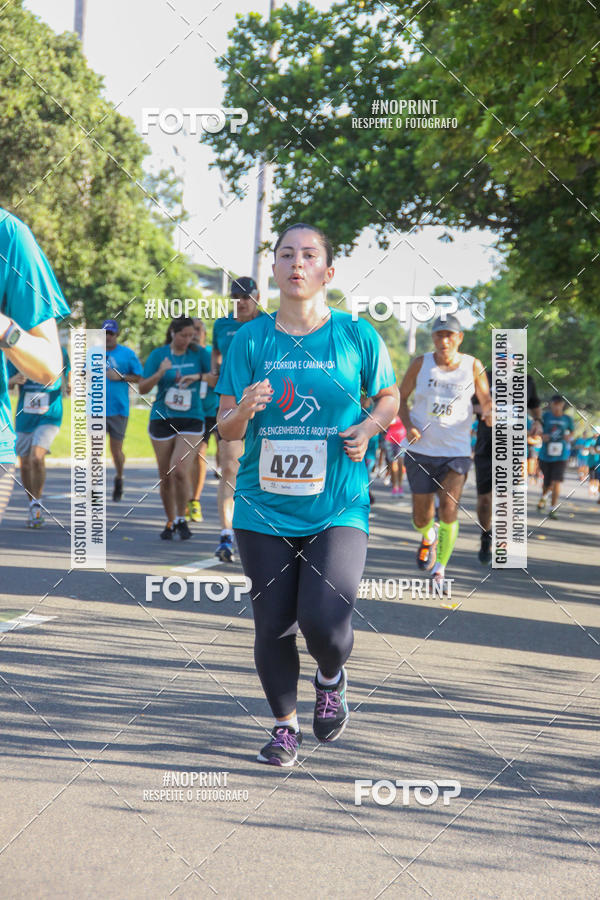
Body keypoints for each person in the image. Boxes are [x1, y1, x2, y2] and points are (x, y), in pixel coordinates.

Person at [216, 223, 398, 766]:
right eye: (286, 255)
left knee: (324, 617)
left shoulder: (356, 334)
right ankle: (284, 728)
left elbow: (387, 398)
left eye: (309, 255)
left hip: (338, 502)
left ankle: (331, 676)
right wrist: (245, 407)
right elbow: (225, 428)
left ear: (328, 272)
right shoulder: (249, 340)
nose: (297, 263)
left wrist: (368, 428)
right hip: (263, 505)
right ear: (273, 269)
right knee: (272, 622)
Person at [399, 314, 492, 588]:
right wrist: (407, 425)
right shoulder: (421, 364)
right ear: (433, 338)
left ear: (459, 338)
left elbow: (485, 399)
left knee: (449, 509)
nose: (445, 340)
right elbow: (400, 397)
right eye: (439, 335)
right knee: (421, 517)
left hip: (456, 451)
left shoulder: (472, 366)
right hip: (421, 449)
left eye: (450, 335)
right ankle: (428, 534)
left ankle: (440, 568)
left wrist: (489, 413)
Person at [0, 208, 69, 526]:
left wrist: (5, 330)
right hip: (25, 411)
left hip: (46, 412)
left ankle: (35, 502)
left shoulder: (9, 235)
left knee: (35, 457)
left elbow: (50, 366)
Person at [139, 316, 210, 539]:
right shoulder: (158, 355)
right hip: (162, 418)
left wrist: (198, 376)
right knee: (166, 475)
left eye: (191, 335)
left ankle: (182, 517)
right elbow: (142, 388)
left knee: (179, 469)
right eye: (183, 335)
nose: (187, 339)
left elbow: (217, 378)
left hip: (192, 418)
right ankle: (171, 521)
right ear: (173, 333)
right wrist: (160, 373)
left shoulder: (200, 354)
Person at [212, 276, 261, 562]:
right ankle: (226, 535)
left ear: (256, 297)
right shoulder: (222, 325)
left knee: (259, 473)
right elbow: (216, 354)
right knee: (230, 466)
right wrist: (215, 374)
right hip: (232, 404)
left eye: (246, 296)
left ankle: (260, 532)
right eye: (236, 296)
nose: (241, 302)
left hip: (268, 408)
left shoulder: (269, 324)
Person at [472, 370, 541, 564]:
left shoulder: (526, 380)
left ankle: (502, 544)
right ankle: (486, 536)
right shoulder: (485, 377)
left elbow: (534, 405)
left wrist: (537, 421)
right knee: (485, 501)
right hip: (485, 447)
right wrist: (488, 410)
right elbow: (470, 406)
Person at [7, 347, 70, 527]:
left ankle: (37, 501)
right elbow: (7, 383)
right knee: (25, 464)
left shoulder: (58, 350)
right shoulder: (17, 350)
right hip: (25, 416)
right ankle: (32, 503)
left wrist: (72, 384)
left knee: (36, 457)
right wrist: (14, 379)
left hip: (50, 414)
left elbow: (71, 372)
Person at [102, 319, 143, 502]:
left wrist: (120, 377)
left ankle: (119, 477)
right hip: (96, 408)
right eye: (105, 333)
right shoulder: (93, 354)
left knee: (116, 450)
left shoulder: (127, 354)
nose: (108, 337)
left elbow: (140, 377)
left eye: (111, 333)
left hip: (118, 408)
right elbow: (82, 374)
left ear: (117, 335)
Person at [186, 318, 218, 522]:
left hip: (216, 409)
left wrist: (202, 377)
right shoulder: (185, 355)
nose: (195, 334)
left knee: (227, 455)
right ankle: (194, 501)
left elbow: (217, 377)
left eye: (198, 330)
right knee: (199, 454)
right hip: (196, 411)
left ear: (204, 333)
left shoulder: (210, 353)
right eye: (192, 330)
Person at [537, 394, 574, 518]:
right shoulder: (545, 416)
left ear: (563, 405)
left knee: (556, 481)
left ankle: (553, 509)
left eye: (560, 403)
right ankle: (543, 497)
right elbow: (537, 429)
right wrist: (542, 435)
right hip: (545, 455)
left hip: (561, 455)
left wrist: (569, 436)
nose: (557, 406)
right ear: (551, 404)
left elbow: (572, 432)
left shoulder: (567, 419)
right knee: (547, 483)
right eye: (555, 403)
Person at [381, 415, 407, 496]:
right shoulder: (391, 411)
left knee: (401, 464)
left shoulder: (405, 411)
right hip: (390, 440)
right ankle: (395, 487)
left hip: (402, 441)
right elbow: (383, 425)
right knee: (393, 463)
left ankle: (400, 485)